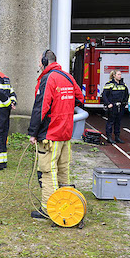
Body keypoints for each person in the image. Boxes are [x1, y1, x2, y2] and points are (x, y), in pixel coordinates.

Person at [28, 50, 84, 219]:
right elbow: (80, 99)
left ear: (44, 61)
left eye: (39, 61)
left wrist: (33, 132)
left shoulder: (48, 78)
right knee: (62, 170)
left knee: (48, 172)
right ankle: (64, 204)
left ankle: (48, 209)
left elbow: (41, 108)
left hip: (50, 134)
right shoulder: (68, 77)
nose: (39, 64)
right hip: (65, 133)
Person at [101, 70, 129, 144]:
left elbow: (127, 94)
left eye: (120, 74)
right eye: (118, 74)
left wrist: (125, 102)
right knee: (110, 122)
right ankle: (109, 137)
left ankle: (117, 137)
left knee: (118, 122)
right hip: (112, 106)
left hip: (120, 106)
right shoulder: (109, 84)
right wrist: (108, 104)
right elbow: (104, 95)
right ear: (114, 75)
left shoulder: (123, 85)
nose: (120, 76)